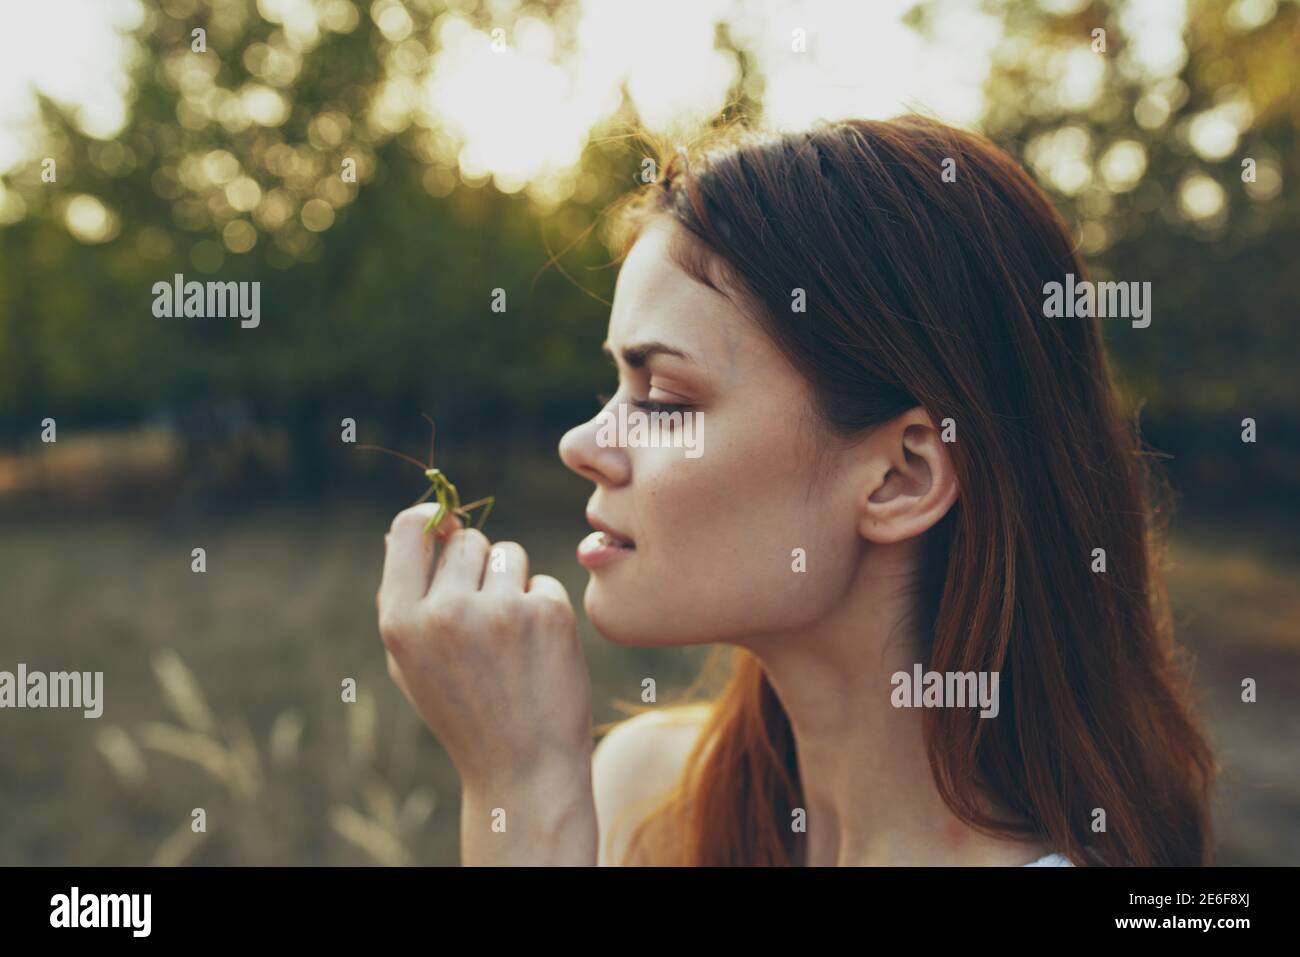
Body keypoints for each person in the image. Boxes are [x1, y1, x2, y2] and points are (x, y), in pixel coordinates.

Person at [376, 115, 1216, 866]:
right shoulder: (644, 795)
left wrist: (520, 795)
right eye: (614, 388)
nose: (582, 444)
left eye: (664, 402)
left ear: (901, 477)